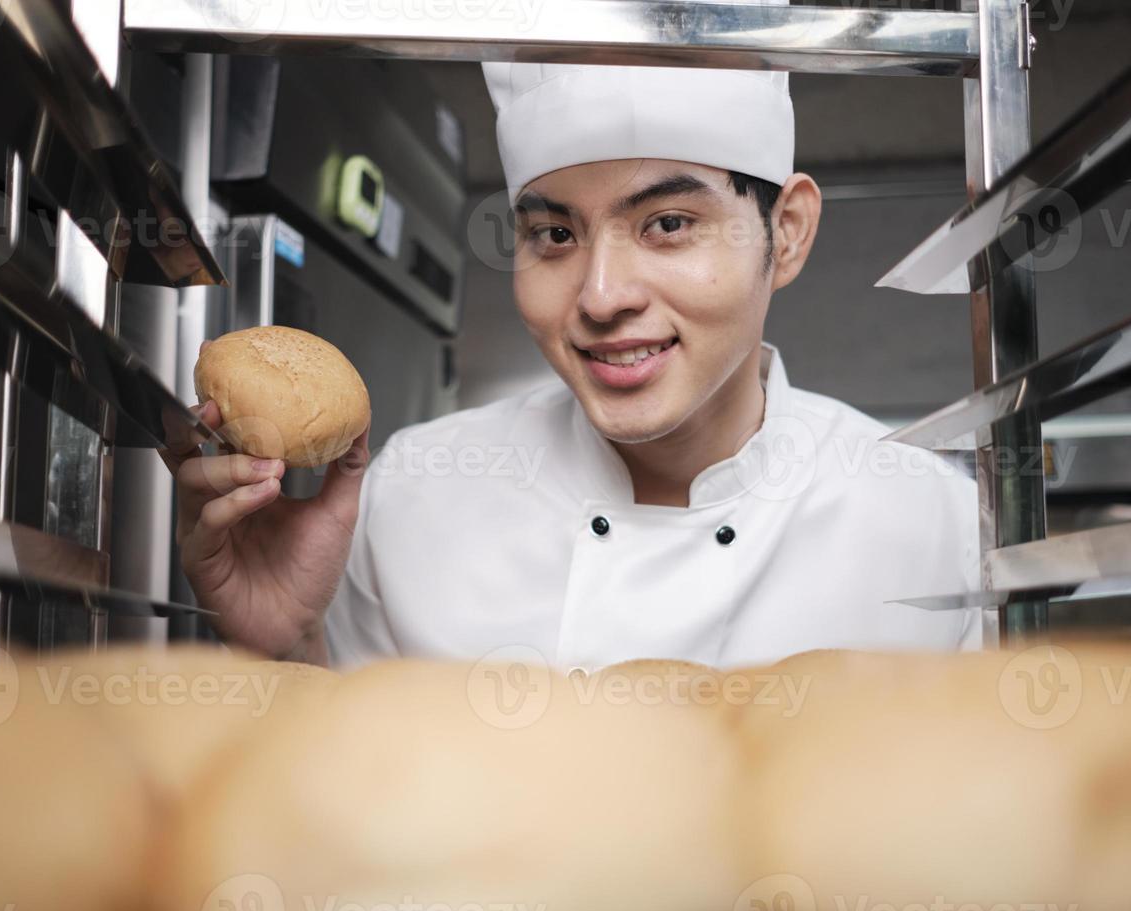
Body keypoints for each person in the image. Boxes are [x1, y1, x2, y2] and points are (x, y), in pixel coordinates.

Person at [160, 0, 982, 670]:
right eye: (554, 236)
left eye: (666, 223)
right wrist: (288, 647)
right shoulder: (409, 499)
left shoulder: (932, 528)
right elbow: (344, 829)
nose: (600, 295)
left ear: (789, 232)